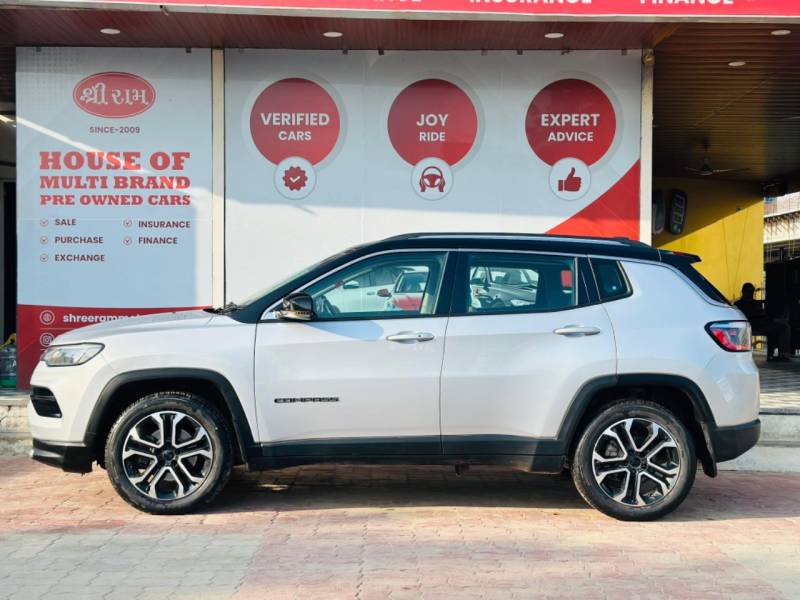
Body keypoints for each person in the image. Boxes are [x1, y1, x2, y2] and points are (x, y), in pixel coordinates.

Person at [735, 282, 793, 361]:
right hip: (753, 325)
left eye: (751, 292)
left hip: (762, 324)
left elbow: (762, 314)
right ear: (743, 292)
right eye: (748, 291)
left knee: (784, 326)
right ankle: (781, 354)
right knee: (782, 327)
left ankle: (783, 354)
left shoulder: (755, 303)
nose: (750, 294)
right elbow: (756, 315)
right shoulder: (739, 304)